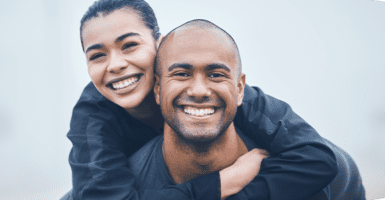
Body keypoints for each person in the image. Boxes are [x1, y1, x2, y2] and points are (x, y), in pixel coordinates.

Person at [65, 0, 338, 199]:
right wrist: (223, 183)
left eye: (129, 45)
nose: (115, 64)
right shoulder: (92, 117)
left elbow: (315, 158)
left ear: (159, 45)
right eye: (97, 55)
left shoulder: (221, 92)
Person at [128, 19, 366, 200]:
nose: (199, 90)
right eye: (181, 74)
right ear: (157, 90)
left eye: (215, 75)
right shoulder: (131, 181)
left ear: (240, 89)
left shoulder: (303, 178)